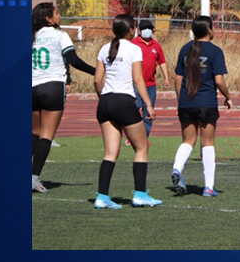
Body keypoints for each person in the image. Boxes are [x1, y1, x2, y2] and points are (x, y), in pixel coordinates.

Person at [91, 14, 162, 209]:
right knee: (141, 147)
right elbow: (138, 80)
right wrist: (148, 104)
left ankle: (102, 196)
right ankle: (140, 194)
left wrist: (104, 97)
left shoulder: (104, 48)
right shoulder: (134, 49)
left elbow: (97, 80)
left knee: (110, 153)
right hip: (124, 101)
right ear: (132, 30)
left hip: (105, 101)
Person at [31, 2, 95, 194]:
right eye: (57, 13)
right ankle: (34, 178)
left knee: (34, 132)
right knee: (46, 136)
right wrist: (96, 70)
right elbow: (73, 61)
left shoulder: (31, 36)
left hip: (31, 87)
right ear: (48, 19)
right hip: (52, 87)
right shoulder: (60, 35)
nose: (60, 15)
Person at [170, 16, 232, 198]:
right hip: (207, 103)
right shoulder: (215, 52)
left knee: (188, 141)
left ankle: (177, 168)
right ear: (210, 30)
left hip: (186, 103)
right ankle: (209, 187)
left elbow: (178, 78)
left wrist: (180, 100)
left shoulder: (184, 49)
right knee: (208, 144)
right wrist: (228, 97)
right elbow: (219, 81)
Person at [130, 19, 173, 144]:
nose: (147, 31)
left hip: (150, 84)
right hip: (135, 84)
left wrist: (166, 77)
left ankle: (144, 137)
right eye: (144, 28)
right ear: (139, 30)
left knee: (148, 112)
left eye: (150, 28)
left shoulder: (156, 45)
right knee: (134, 107)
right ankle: (132, 135)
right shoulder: (133, 44)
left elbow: (162, 62)